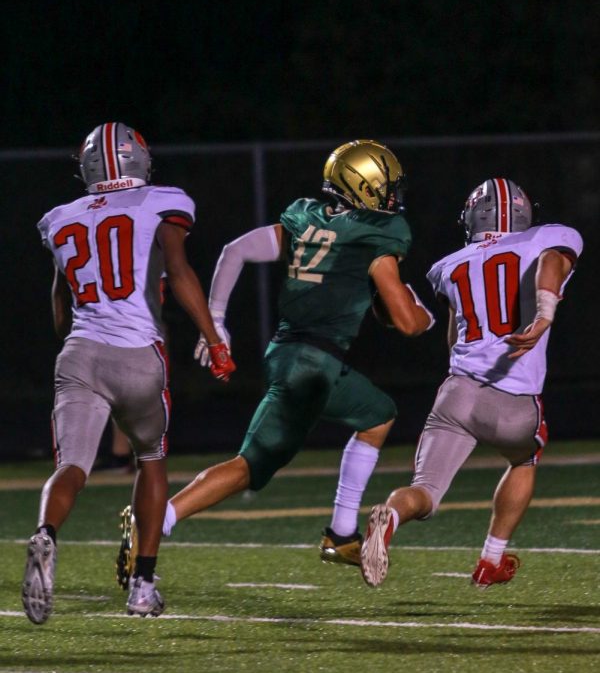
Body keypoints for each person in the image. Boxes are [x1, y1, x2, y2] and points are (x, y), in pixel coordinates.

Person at [118, 139, 435, 578]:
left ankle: (341, 534)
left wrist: (218, 320)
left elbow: (235, 251)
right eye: (386, 184)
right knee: (250, 465)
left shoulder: (307, 217)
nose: (393, 193)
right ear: (365, 184)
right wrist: (426, 316)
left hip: (289, 352)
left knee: (378, 414)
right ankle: (157, 520)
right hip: (313, 365)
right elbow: (405, 321)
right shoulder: (380, 231)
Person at [22, 122, 235, 624]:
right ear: (139, 158)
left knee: (71, 466)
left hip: (79, 353)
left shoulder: (59, 218)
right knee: (151, 460)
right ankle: (142, 585)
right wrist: (213, 337)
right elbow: (179, 271)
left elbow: (59, 308)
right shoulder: (163, 200)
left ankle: (45, 534)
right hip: (139, 352)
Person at [360, 177, 583, 589]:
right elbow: (553, 261)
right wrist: (545, 313)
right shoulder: (549, 237)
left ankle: (389, 517)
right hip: (514, 398)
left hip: (457, 394)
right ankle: (490, 560)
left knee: (424, 492)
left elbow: (453, 338)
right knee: (523, 459)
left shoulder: (448, 265)